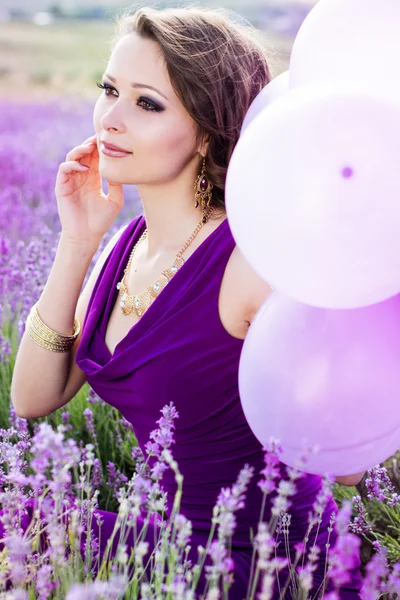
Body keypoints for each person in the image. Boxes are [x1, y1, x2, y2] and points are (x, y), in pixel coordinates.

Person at [11, 5, 363, 598]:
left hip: (262, 564)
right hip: (171, 538)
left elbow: (347, 466)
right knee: (16, 522)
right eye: (109, 90)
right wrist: (78, 241)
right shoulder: (125, 245)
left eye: (146, 104)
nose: (111, 119)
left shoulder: (250, 262)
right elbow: (31, 398)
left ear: (206, 130)